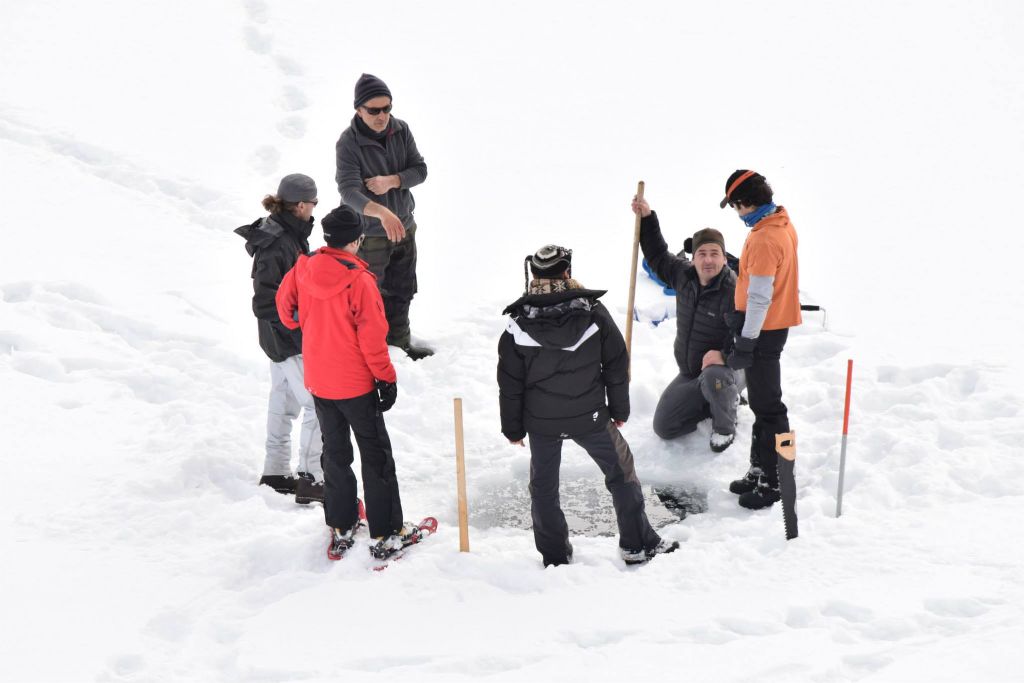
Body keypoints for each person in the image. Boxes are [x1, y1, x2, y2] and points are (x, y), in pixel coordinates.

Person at [497, 245, 678, 567]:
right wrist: (619, 410)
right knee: (621, 475)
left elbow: (510, 384)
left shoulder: (517, 325)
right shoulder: (593, 313)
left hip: (542, 422)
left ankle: (555, 557)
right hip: (590, 416)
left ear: (534, 276)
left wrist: (513, 428)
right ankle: (637, 544)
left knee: (543, 487)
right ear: (566, 273)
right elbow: (616, 364)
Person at [276, 205, 417, 561]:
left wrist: (311, 325)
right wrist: (386, 378)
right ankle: (386, 533)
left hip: (320, 382)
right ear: (356, 240)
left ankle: (341, 525)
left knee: (335, 455)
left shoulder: (303, 266)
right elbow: (373, 339)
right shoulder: (359, 280)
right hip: (356, 385)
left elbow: (284, 310)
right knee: (377, 458)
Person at [235, 173, 323, 504]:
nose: (314, 209)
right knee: (318, 405)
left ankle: (274, 471)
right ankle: (312, 479)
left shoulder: (287, 233)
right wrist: (300, 325)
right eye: (313, 203)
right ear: (301, 205)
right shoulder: (278, 242)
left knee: (283, 403)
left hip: (277, 340)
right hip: (288, 340)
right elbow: (265, 301)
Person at [631, 195, 742, 452]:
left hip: (731, 369)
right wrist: (647, 218)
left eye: (715, 254)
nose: (708, 260)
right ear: (693, 259)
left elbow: (751, 339)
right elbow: (658, 255)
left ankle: (725, 425)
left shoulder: (734, 290)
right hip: (692, 371)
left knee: (715, 375)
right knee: (665, 426)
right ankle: (717, 399)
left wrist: (724, 356)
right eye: (702, 253)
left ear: (724, 258)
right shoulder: (683, 275)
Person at [335, 73, 432, 361]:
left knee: (403, 291)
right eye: (374, 110)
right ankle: (370, 354)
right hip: (372, 235)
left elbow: (420, 170)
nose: (382, 116)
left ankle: (400, 345)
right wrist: (382, 212)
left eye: (387, 108)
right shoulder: (348, 143)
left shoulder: (401, 130)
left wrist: (393, 181)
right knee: (369, 299)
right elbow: (348, 191)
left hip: (405, 226)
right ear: (359, 110)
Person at [719, 170, 801, 510]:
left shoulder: (766, 239)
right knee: (762, 405)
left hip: (763, 330)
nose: (737, 215)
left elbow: (759, 297)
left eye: (735, 207)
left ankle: (778, 478)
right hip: (769, 326)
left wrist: (746, 341)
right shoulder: (780, 224)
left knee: (771, 409)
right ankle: (759, 469)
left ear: (743, 203)